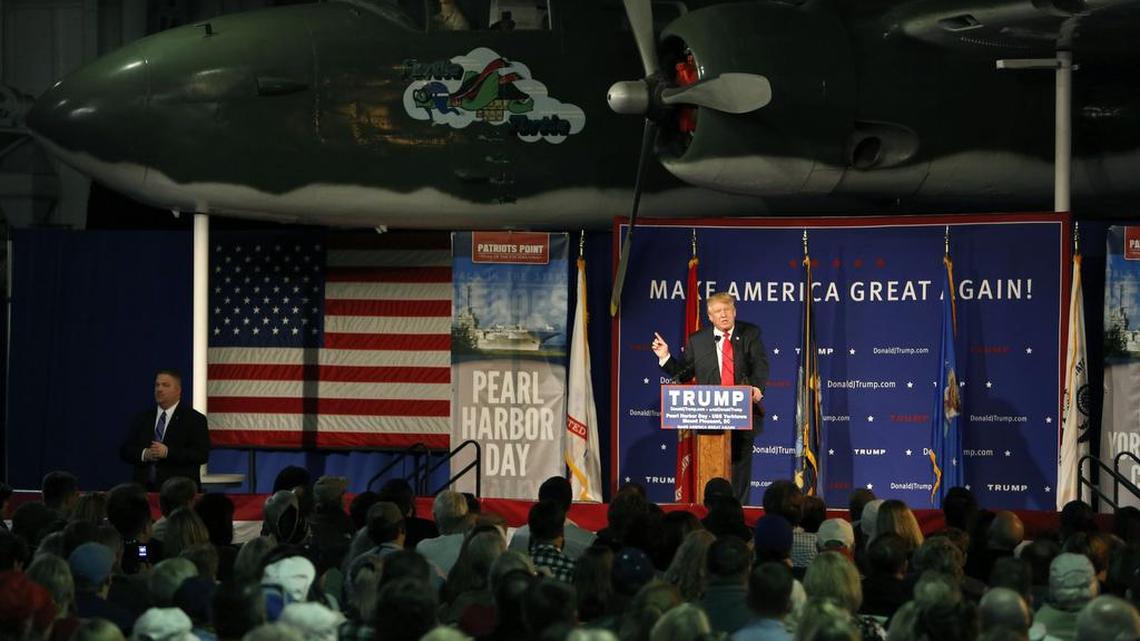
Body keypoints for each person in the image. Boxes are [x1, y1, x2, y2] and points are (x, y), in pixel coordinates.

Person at [652, 292, 770, 502]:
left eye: (727, 310)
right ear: (710, 316)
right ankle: (710, 514)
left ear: (734, 312)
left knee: (739, 471)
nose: (723, 315)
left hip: (742, 415)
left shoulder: (750, 334)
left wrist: (757, 388)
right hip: (709, 417)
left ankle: (738, 513)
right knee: (711, 469)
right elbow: (685, 373)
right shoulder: (698, 341)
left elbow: (760, 366)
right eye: (718, 311)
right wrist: (666, 357)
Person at [119, 370, 209, 488]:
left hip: (179, 492)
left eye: (165, 385)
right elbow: (126, 450)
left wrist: (168, 452)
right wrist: (144, 454)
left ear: (178, 390)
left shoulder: (194, 419)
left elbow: (201, 455)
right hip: (144, 492)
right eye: (157, 385)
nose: (159, 389)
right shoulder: (143, 418)